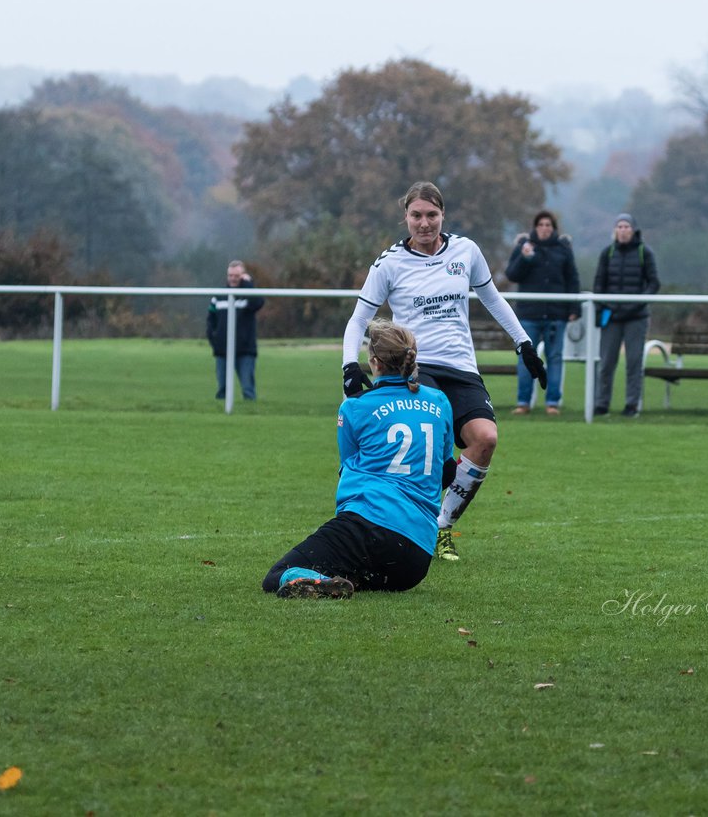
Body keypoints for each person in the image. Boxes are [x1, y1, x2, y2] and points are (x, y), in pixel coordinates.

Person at [341, 181, 546, 562]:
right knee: (430, 451)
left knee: (485, 439)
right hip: (415, 367)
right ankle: (401, 526)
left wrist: (524, 344)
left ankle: (441, 526)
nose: (424, 223)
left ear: (443, 215)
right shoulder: (389, 263)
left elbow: (492, 298)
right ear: (405, 217)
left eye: (431, 215)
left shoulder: (466, 251)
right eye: (416, 215)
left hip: (462, 368)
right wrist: (349, 366)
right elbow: (358, 320)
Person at [263, 319, 455, 598]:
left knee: (277, 576)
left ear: (374, 362)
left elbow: (347, 470)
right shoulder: (439, 401)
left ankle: (318, 581)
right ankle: (342, 580)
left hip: (367, 529)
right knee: (358, 570)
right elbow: (447, 472)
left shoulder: (355, 407)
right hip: (414, 560)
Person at [505, 210, 580, 416]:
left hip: (556, 313)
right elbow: (512, 274)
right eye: (541, 225)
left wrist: (575, 308)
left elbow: (572, 278)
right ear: (535, 227)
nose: (545, 228)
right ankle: (523, 402)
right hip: (529, 314)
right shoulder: (524, 247)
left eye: (548, 225)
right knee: (525, 358)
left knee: (555, 357)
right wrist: (525, 258)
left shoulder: (563, 249)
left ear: (553, 228)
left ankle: (552, 402)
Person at [593, 213, 661, 417]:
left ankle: (632, 405)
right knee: (606, 363)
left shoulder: (644, 252)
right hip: (611, 316)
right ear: (615, 230)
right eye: (619, 227)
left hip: (636, 317)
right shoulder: (608, 253)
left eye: (626, 227)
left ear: (633, 230)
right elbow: (599, 284)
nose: (623, 230)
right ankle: (601, 404)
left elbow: (653, 283)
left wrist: (637, 304)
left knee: (634, 363)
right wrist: (604, 306)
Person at [206, 260, 264, 401]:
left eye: (236, 276)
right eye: (230, 275)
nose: (232, 278)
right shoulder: (218, 296)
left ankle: (251, 416)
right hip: (222, 350)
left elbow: (258, 303)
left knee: (248, 389)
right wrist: (214, 341)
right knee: (222, 389)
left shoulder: (249, 295)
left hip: (245, 350)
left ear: (243, 276)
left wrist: (248, 285)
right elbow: (210, 320)